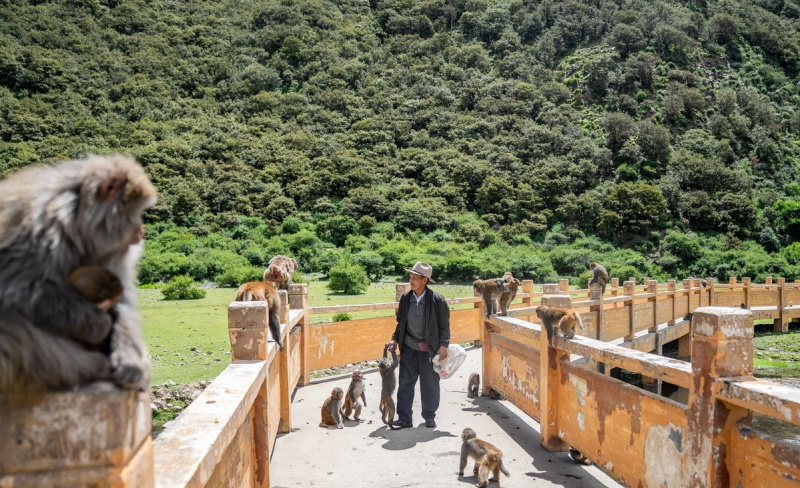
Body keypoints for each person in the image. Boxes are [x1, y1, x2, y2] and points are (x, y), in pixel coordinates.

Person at [386, 262, 451, 428]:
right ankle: (405, 418)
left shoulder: (437, 300)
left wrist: (443, 345)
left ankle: (429, 416)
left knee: (430, 383)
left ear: (425, 280)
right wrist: (395, 339)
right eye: (410, 277)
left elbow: (444, 326)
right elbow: (400, 323)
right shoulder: (406, 299)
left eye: (415, 278)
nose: (411, 280)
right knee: (405, 382)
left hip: (429, 350)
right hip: (409, 348)